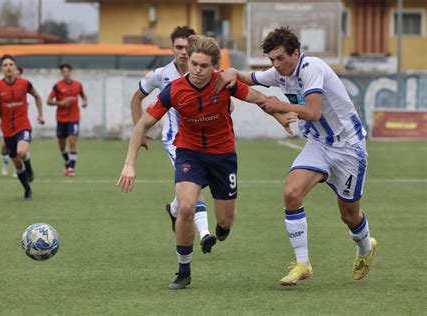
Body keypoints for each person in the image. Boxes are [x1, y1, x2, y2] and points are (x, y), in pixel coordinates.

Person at [118, 35, 297, 290]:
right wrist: (129, 164)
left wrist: (279, 116)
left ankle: (222, 229)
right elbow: (142, 124)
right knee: (187, 208)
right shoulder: (174, 90)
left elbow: (259, 99)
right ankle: (183, 270)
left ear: (215, 66)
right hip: (189, 154)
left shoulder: (225, 83)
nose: (198, 70)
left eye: (204, 66)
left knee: (226, 220)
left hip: (223, 156)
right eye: (193, 64)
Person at [217, 26, 377, 286]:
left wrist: (279, 105)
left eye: (280, 58)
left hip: (349, 146)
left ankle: (365, 248)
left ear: (296, 53)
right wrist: (233, 72)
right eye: (271, 59)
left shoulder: (311, 68)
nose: (276, 65)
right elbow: (249, 78)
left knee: (349, 216)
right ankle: (303, 263)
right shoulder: (281, 73)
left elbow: (312, 112)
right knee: (291, 193)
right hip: (318, 144)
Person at [130, 26, 218, 254]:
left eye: (187, 47)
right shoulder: (161, 74)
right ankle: (206, 233)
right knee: (195, 184)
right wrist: (139, 132)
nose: (183, 52)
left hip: (204, 139)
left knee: (188, 190)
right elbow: (136, 98)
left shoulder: (204, 72)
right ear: (172, 49)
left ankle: (174, 209)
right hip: (175, 140)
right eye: (178, 47)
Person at [0, 55, 44, 199]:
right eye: (5, 65)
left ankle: (29, 168)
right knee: (17, 164)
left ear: (15, 68)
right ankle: (27, 189)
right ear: (1, 69)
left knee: (22, 153)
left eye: (11, 64)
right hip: (7, 131)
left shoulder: (25, 84)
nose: (8, 67)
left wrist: (40, 114)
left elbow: (37, 96)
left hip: (23, 126)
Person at [47, 63, 88, 177]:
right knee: (61, 146)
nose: (66, 73)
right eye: (63, 72)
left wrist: (85, 102)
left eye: (68, 71)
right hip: (61, 119)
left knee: (72, 141)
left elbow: (84, 96)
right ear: (61, 73)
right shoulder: (57, 86)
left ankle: (70, 168)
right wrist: (61, 103)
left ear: (71, 72)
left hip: (74, 118)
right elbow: (48, 101)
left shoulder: (78, 85)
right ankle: (67, 162)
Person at [0, 66, 23, 177]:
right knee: (3, 145)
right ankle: (5, 163)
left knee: (18, 148)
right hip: (5, 123)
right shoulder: (2, 87)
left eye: (19, 74)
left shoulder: (23, 90)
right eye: (16, 73)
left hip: (19, 124)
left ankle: (17, 168)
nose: (17, 75)